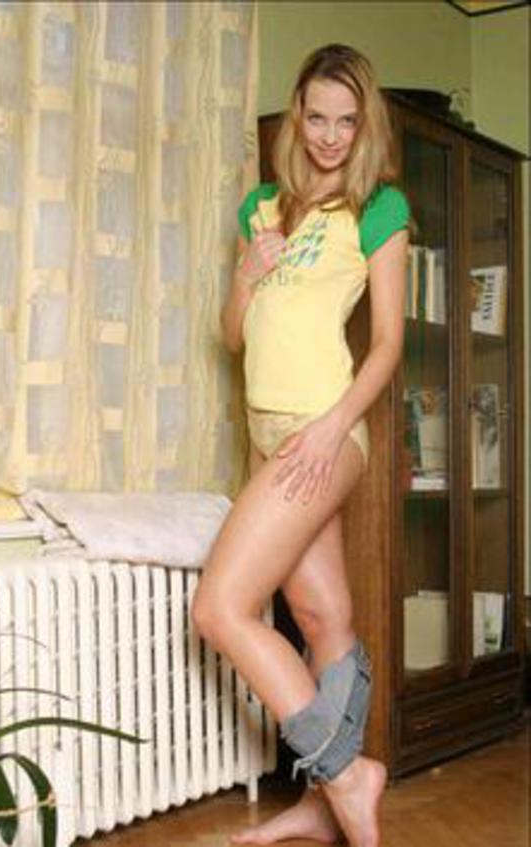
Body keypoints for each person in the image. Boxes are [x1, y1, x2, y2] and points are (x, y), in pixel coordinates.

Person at [192, 43, 409, 847]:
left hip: (322, 429)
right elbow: (234, 337)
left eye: (346, 121)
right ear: (297, 114)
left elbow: (387, 344)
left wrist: (327, 427)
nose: (329, 136)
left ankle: (346, 772)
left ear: (365, 124)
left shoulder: (378, 207)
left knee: (219, 607)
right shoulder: (262, 208)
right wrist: (246, 274)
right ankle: (323, 807)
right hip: (266, 431)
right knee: (321, 613)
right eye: (317, 118)